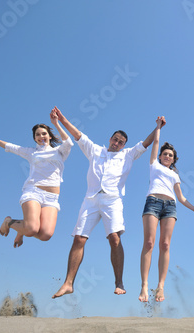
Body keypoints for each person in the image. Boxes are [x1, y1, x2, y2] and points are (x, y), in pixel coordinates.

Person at [52, 108, 164, 298]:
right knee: (79, 238)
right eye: (115, 139)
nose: (117, 143)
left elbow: (146, 143)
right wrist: (62, 119)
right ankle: (68, 283)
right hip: (91, 199)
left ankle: (119, 282)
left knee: (114, 238)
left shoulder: (128, 154)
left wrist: (158, 127)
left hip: (113, 200)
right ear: (110, 139)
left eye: (121, 142)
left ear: (123, 145)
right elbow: (77, 135)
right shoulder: (95, 150)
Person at [0, 107, 73, 248]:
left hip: (52, 198)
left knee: (45, 235)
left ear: (49, 136)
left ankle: (22, 230)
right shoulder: (32, 153)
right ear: (35, 139)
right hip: (34, 192)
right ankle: (9, 222)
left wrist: (56, 123)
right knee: (32, 229)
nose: (41, 136)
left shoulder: (60, 152)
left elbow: (68, 142)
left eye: (44, 133)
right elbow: (12, 147)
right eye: (37, 135)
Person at [138, 118, 194, 303]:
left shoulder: (174, 174)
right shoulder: (153, 165)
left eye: (170, 155)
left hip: (171, 207)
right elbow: (155, 143)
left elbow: (181, 197)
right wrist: (157, 127)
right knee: (149, 243)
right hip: (153, 203)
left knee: (165, 245)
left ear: (173, 159)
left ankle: (161, 286)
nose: (167, 156)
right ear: (160, 155)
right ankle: (144, 285)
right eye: (165, 154)